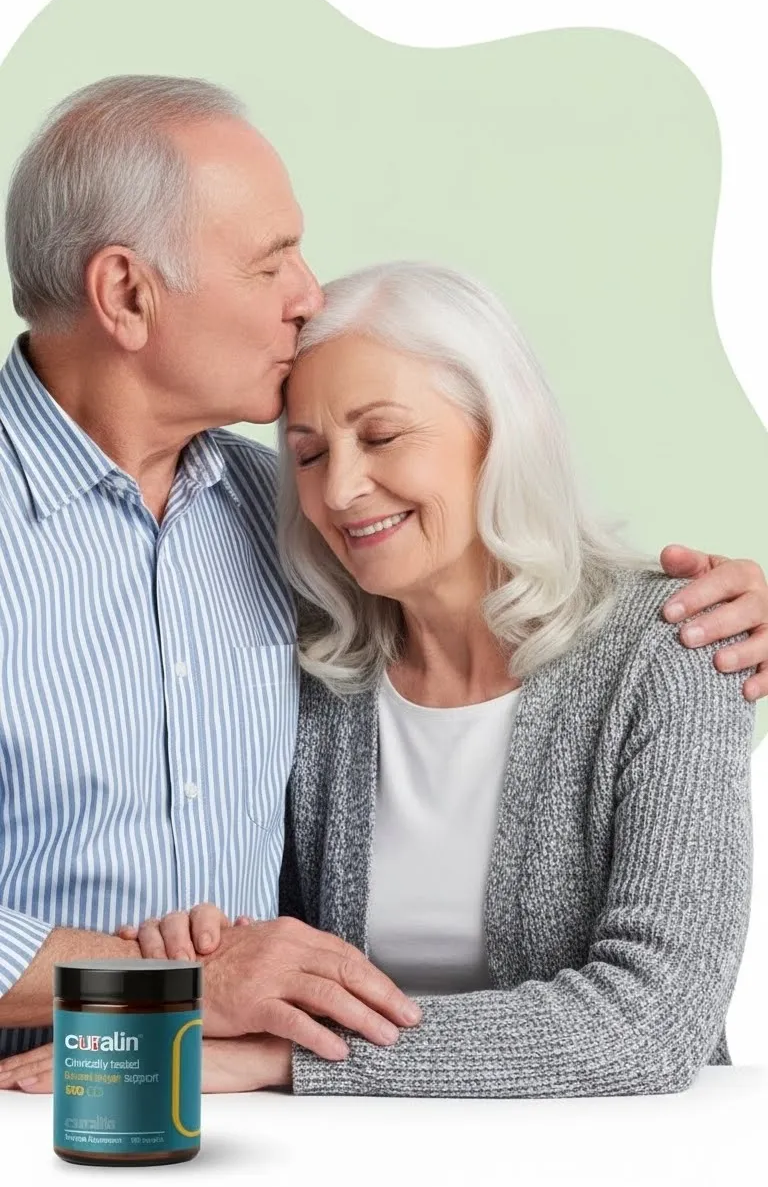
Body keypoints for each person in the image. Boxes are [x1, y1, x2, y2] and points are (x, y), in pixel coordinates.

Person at [0, 80, 766, 1092]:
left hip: (277, 1139)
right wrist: (176, 980)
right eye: (269, 261)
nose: (306, 292)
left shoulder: (286, 522)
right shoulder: (317, 539)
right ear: (128, 294)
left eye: (380, 437)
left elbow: (647, 1012)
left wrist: (730, 613)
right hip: (36, 1111)